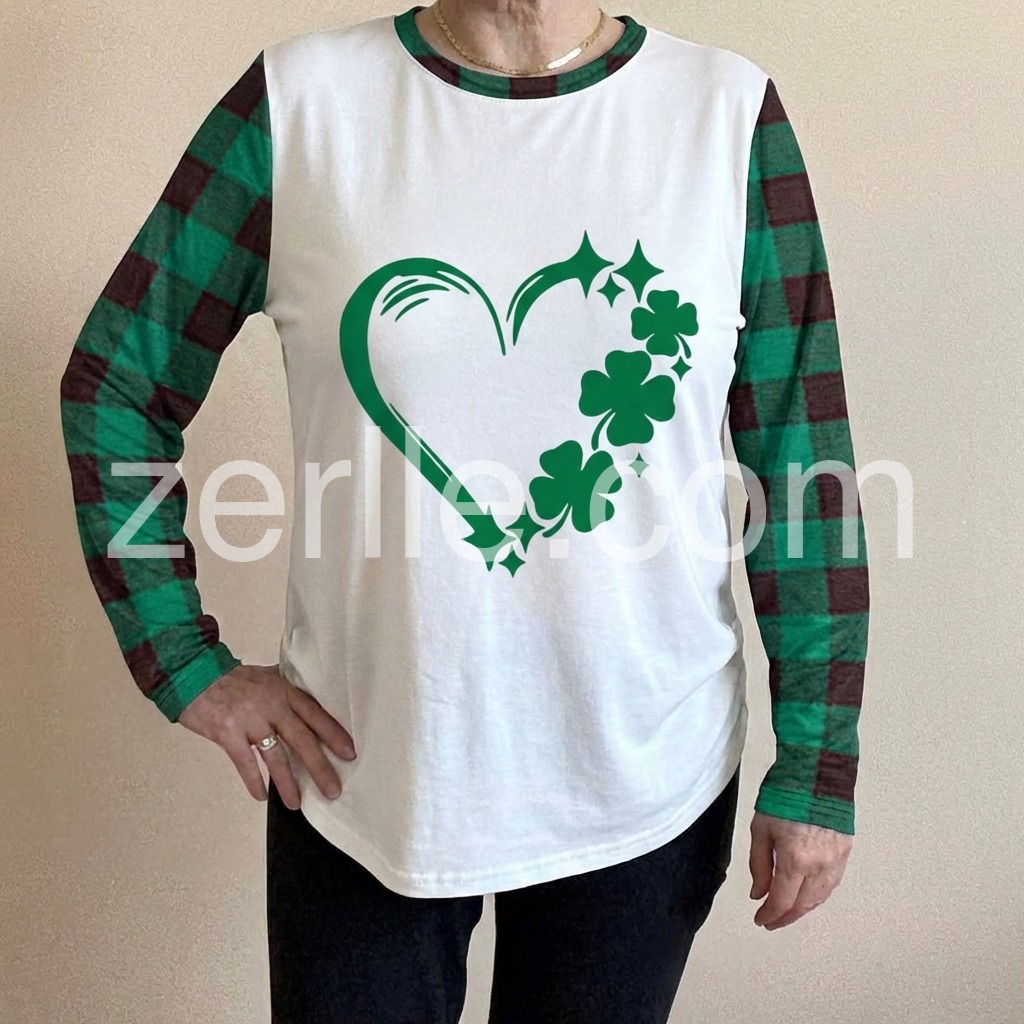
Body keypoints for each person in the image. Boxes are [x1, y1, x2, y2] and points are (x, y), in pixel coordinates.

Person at [59, 2, 870, 1021]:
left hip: (643, 779)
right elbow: (116, 384)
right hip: (363, 779)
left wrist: (817, 766)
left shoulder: (725, 115)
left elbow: (802, 465)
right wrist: (183, 662)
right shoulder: (300, 106)